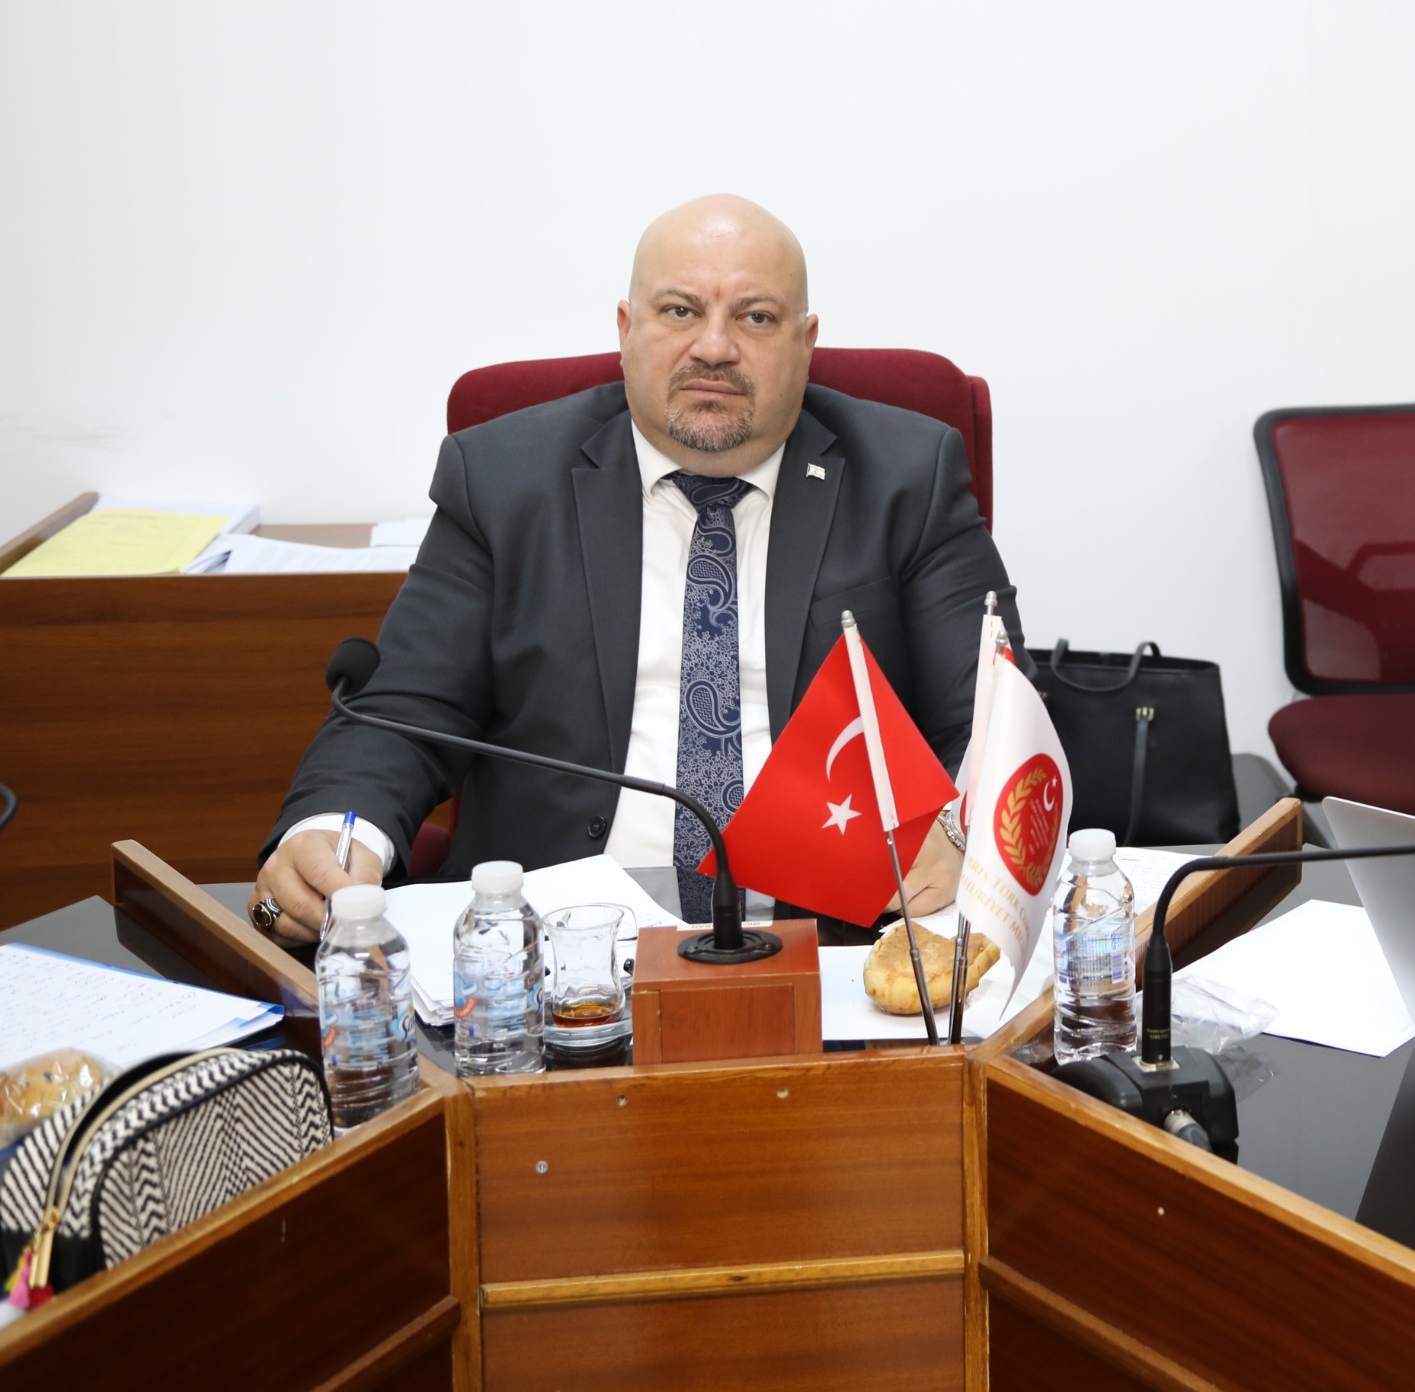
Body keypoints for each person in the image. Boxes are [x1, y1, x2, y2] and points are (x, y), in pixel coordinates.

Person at [252, 193, 1017, 943]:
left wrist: (956, 828)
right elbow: (404, 711)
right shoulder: (503, 480)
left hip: (833, 946)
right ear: (626, 329)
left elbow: (994, 720)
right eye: (680, 311)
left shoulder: (907, 477)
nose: (714, 347)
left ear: (805, 342)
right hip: (557, 948)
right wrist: (334, 835)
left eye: (755, 318)